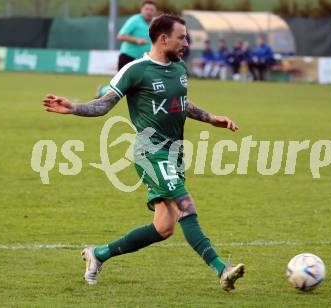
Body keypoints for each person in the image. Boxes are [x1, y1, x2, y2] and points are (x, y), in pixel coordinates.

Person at [42, 14, 245, 292]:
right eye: (182, 37)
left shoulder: (179, 68)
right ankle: (222, 269)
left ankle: (98, 254)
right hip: (149, 152)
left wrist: (211, 118)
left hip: (174, 152)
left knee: (164, 228)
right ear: (164, 39)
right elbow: (103, 105)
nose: (186, 42)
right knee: (187, 206)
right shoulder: (136, 70)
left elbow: (181, 103)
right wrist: (74, 107)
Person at [117, 0, 157, 70]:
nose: (149, 12)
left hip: (144, 59)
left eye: (152, 10)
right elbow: (120, 36)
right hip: (128, 57)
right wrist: (137, 40)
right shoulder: (134, 20)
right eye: (146, 9)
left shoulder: (156, 22)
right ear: (141, 10)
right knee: (122, 81)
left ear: (155, 12)